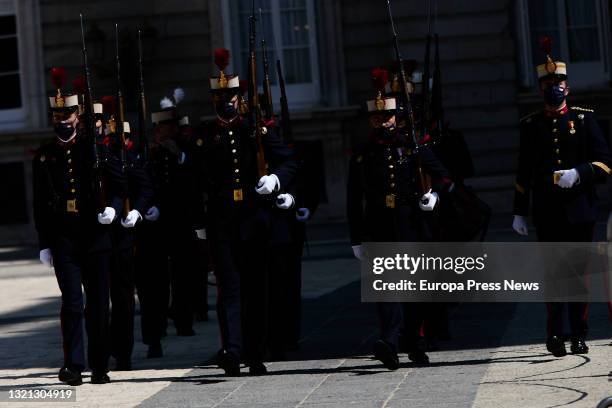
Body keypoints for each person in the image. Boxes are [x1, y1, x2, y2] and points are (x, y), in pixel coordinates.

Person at [195, 48, 297, 376]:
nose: (225, 102)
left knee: (256, 289)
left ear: (240, 98)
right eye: (219, 97)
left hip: (255, 220)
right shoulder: (206, 136)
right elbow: (196, 182)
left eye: (230, 96)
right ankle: (232, 350)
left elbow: (290, 161)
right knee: (229, 289)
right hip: (222, 222)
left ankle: (255, 352)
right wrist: (200, 222)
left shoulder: (256, 130)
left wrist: (275, 180)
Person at [512, 36, 612, 357]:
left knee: (579, 273)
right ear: (540, 88)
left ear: (567, 87)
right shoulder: (531, 126)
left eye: (558, 83)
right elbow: (523, 171)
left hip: (580, 208)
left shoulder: (584, 119)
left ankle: (579, 334)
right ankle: (555, 334)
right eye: (547, 83)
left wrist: (580, 173)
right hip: (548, 211)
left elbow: (606, 162)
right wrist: (519, 211)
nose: (553, 88)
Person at [347, 68, 450, 370]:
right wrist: (356, 237)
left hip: (411, 224)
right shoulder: (363, 154)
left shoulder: (413, 146)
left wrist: (433, 195)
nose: (383, 123)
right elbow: (354, 200)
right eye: (377, 119)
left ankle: (415, 341)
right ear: (371, 121)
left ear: (396, 117)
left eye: (388, 118)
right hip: (379, 226)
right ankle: (389, 342)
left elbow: (443, 176)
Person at [33, 67, 127, 385]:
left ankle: (99, 364)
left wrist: (113, 210)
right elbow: (40, 204)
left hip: (95, 237)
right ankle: (73, 365)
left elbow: (119, 187)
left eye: (67, 115)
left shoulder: (95, 150)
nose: (62, 121)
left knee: (99, 304)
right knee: (72, 303)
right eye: (56, 115)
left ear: (77, 115)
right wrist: (44, 242)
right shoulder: (44, 156)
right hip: (64, 241)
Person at [103, 111, 154, 371]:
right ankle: (102, 349)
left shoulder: (129, 160)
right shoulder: (98, 157)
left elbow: (145, 189)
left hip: (123, 235)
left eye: (118, 136)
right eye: (111, 136)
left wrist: (136, 211)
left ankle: (123, 351)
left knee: (123, 297)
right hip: (98, 235)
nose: (113, 140)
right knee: (99, 298)